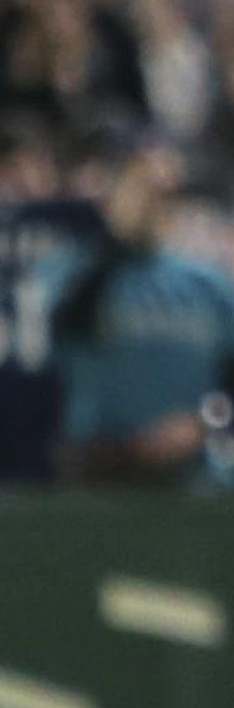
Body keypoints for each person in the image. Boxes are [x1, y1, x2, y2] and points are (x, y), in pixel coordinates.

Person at [40, 128, 234, 485]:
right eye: (135, 186)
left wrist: (204, 422)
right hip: (102, 469)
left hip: (193, 474)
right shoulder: (71, 269)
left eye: (157, 191)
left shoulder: (208, 283)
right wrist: (117, 238)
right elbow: (64, 328)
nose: (147, 200)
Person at [0, 117, 101, 483]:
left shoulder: (80, 227)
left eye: (32, 167)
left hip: (54, 413)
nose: (23, 182)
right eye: (10, 169)